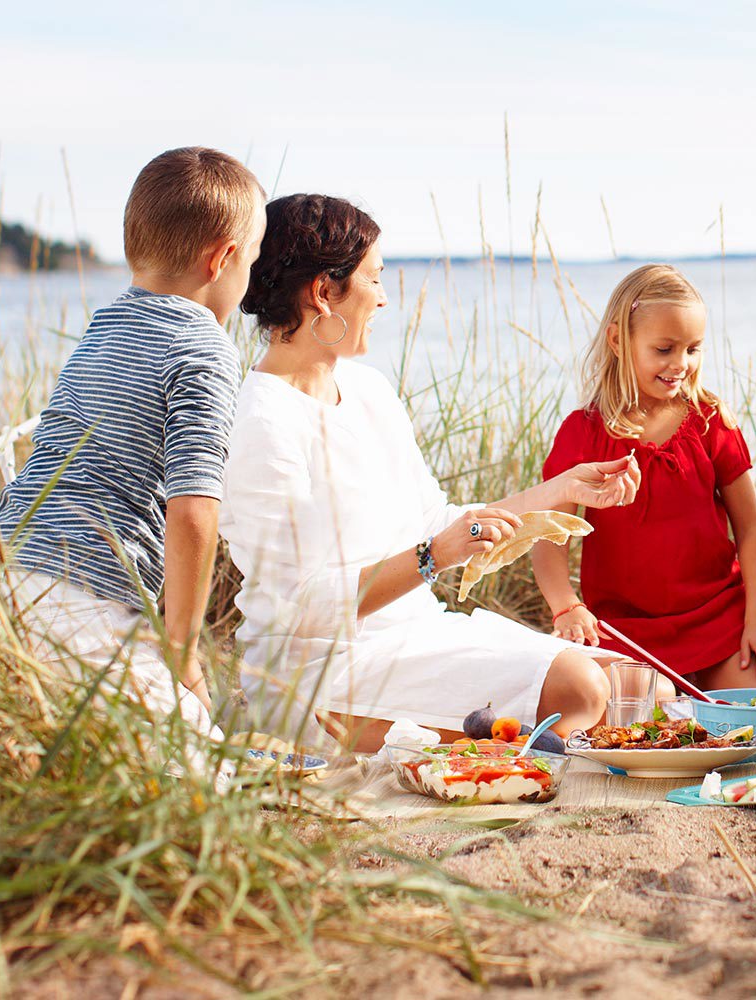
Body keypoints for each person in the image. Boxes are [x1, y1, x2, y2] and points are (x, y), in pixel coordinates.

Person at [218, 194, 642, 749]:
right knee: (581, 689)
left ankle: (491, 742)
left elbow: (439, 522)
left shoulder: (368, 391)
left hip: (419, 636)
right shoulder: (262, 422)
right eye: (375, 279)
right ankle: (450, 743)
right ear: (324, 292)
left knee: (620, 682)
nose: (385, 298)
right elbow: (298, 606)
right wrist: (434, 556)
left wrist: (561, 489)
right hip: (320, 670)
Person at [0, 147, 263, 755]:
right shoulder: (206, 348)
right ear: (222, 258)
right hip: (83, 607)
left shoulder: (104, 323)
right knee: (204, 777)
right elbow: (193, 510)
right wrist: (183, 651)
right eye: (251, 260)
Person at [530, 264, 756, 690]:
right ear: (618, 340)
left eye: (693, 349)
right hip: (625, 634)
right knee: (647, 727)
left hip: (718, 623)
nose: (681, 364)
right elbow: (549, 539)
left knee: (755, 714)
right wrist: (566, 607)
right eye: (664, 349)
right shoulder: (583, 432)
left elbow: (753, 530)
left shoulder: (711, 421)